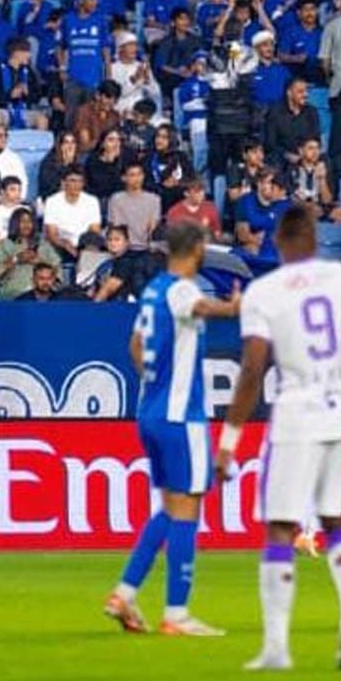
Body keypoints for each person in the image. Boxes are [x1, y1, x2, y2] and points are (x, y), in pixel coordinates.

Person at [219, 207, 341, 672]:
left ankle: (276, 647)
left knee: (282, 528)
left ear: (281, 244)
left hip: (296, 415)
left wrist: (229, 437)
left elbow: (252, 367)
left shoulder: (266, 291)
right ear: (315, 240)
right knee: (336, 518)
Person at [104, 223, 243, 637]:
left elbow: (134, 343)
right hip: (181, 416)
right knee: (189, 507)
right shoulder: (182, 288)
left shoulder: (152, 290)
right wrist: (231, 310)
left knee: (168, 506)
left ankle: (124, 594)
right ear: (197, 249)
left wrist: (153, 378)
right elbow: (200, 307)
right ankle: (177, 614)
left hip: (149, 412)